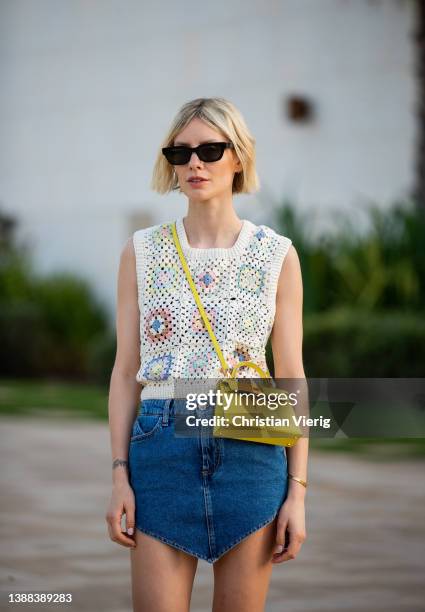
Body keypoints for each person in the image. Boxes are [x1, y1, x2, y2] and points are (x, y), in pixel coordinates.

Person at [105, 97, 308, 612]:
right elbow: (126, 370)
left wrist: (298, 492)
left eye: (211, 150)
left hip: (251, 454)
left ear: (238, 157)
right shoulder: (141, 251)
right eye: (182, 152)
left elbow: (291, 376)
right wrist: (118, 476)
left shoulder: (276, 254)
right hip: (161, 450)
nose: (195, 163)